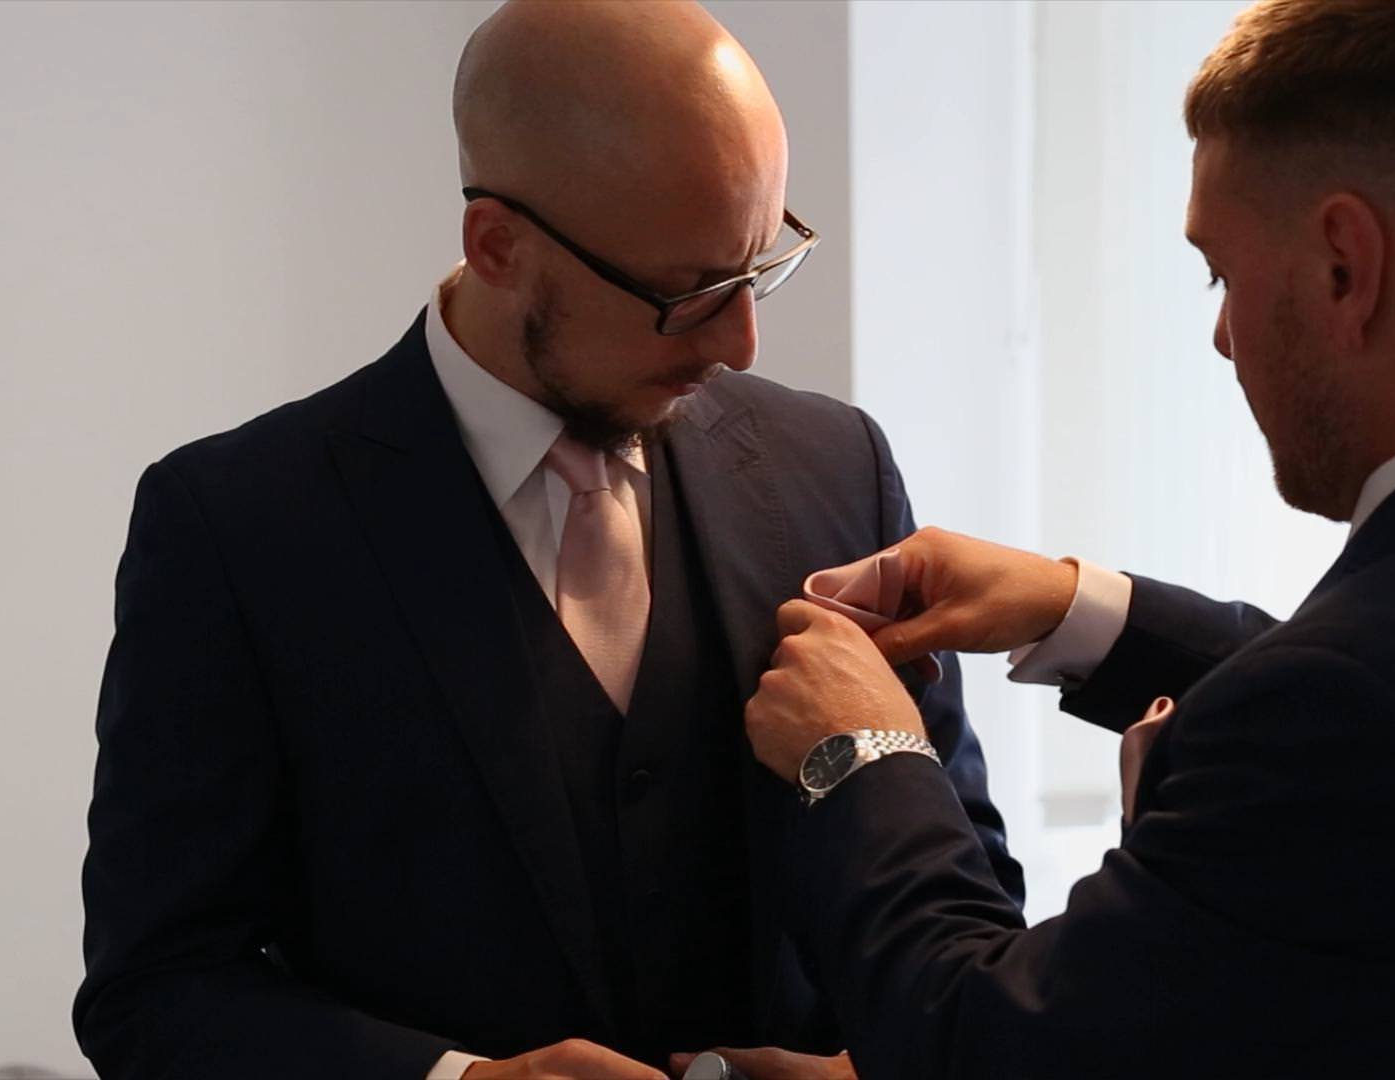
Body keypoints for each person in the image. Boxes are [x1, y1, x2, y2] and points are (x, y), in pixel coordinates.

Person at [72, 3, 1022, 1078]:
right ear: (499, 246)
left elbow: (973, 900)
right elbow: (155, 993)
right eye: (685, 294)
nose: (741, 344)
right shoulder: (237, 528)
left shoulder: (835, 469)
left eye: (757, 270)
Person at [744, 0, 1395, 1076]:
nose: (1223, 336)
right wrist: (1079, 610)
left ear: (1344, 265)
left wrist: (863, 754)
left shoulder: (1360, 712)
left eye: (1221, 273)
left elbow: (988, 1048)